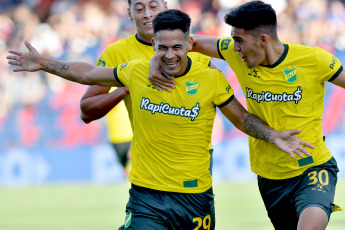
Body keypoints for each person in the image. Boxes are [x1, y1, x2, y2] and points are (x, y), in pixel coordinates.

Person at [8, 9, 314, 230]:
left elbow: (242, 119)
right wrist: (43, 63)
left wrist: (273, 135)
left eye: (177, 47)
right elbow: (87, 73)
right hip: (146, 196)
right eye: (162, 47)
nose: (169, 55)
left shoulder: (210, 79)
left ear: (189, 43)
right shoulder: (136, 70)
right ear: (153, 45)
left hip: (195, 198)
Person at [148, 1, 345, 229]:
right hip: (270, 177)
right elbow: (185, 43)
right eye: (233, 40)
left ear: (263, 39)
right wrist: (155, 60)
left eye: (240, 41)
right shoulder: (235, 52)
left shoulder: (314, 60)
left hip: (313, 168)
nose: (235, 47)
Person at [80, 0, 219, 176]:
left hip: (194, 162)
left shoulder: (193, 46)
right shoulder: (116, 53)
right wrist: (127, 88)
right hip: (148, 166)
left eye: (153, 6)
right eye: (139, 8)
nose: (147, 14)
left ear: (165, 7)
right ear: (129, 13)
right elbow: (87, 111)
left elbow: (224, 95)